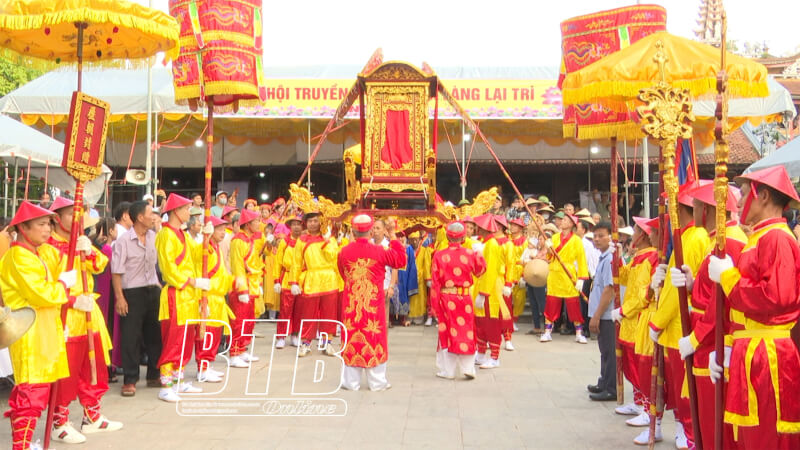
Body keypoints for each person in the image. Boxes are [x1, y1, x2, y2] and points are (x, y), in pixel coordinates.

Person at [708, 166, 800, 449]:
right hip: (751, 347)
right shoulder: (760, 237)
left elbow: (775, 297)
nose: (737, 201)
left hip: (767, 354)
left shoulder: (777, 238)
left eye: (745, 193)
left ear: (762, 196)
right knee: (750, 434)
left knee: (766, 436)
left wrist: (728, 276)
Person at [669, 182, 746, 448]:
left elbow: (721, 303)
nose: (695, 211)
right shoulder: (716, 241)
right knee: (705, 416)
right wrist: (692, 285)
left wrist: (696, 338)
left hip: (713, 341)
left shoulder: (730, 243)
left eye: (698, 206)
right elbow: (708, 294)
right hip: (706, 337)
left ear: (709, 209)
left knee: (714, 422)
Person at [39, 197, 121, 443]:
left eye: (79, 216)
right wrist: (72, 302)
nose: (77, 221)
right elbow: (46, 287)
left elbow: (100, 265)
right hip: (64, 316)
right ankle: (59, 422)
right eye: (71, 215)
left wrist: (88, 250)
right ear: (57, 218)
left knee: (93, 366)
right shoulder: (47, 247)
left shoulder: (82, 241)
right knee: (67, 370)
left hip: (88, 312)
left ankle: (92, 417)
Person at [0, 202, 75, 450]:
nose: (47, 230)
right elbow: (41, 293)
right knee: (31, 392)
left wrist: (79, 246)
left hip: (44, 329)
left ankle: (25, 442)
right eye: (42, 224)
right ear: (24, 227)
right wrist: (63, 284)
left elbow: (62, 260)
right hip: (29, 332)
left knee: (38, 390)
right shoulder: (18, 256)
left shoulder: (39, 252)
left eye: (49, 224)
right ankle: (20, 446)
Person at [648, 182, 710, 449]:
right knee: (675, 386)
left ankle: (689, 433)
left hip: (679, 327)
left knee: (684, 389)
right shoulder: (685, 237)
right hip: (674, 326)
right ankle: (683, 429)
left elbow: (678, 292)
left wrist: (657, 321)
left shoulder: (694, 238)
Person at [337, 214, 406, 391]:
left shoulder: (344, 251)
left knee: (351, 337)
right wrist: (392, 235)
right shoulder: (379, 251)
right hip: (373, 304)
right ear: (370, 232)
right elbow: (400, 259)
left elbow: (342, 272)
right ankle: (377, 382)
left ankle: (351, 382)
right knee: (375, 337)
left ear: (352, 231)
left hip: (351, 303)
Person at [155, 193, 210, 402]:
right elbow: (168, 269)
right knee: (174, 339)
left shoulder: (184, 234)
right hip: (175, 293)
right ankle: (166, 384)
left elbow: (197, 255)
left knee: (186, 339)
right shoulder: (166, 234)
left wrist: (207, 238)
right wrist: (193, 282)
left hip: (188, 294)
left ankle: (178, 379)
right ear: (176, 211)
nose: (190, 213)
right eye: (187, 209)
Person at [609, 217, 659, 438]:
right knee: (630, 363)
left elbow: (642, 294)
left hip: (637, 318)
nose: (633, 234)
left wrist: (622, 310)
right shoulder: (638, 257)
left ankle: (648, 409)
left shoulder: (650, 257)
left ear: (645, 235)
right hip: (630, 321)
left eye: (637, 229)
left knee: (641, 366)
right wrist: (618, 257)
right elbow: (624, 278)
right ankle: (638, 402)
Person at [111, 200, 162, 397]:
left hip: (152, 290)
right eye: (151, 213)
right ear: (140, 217)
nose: (154, 217)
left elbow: (154, 265)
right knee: (131, 337)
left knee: (154, 335)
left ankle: (153, 374)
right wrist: (120, 298)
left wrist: (157, 284)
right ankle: (130, 379)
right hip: (131, 293)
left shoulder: (153, 236)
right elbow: (116, 271)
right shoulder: (124, 241)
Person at [430, 221, 486, 379]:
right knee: (466, 331)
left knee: (447, 332)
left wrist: (433, 306)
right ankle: (468, 368)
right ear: (463, 237)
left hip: (447, 298)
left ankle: (447, 370)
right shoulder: (470, 253)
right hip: (465, 297)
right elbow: (480, 271)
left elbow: (435, 283)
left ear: (447, 236)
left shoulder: (439, 255)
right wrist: (479, 254)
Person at [290, 211, 339, 357]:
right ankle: (306, 343)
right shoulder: (302, 240)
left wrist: (326, 241)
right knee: (308, 313)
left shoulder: (329, 238)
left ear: (321, 222)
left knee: (329, 313)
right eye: (310, 221)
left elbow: (333, 256)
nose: (312, 224)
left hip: (329, 279)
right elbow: (296, 262)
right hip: (311, 279)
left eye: (315, 221)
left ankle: (328, 342)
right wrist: (293, 281)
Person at [192, 215, 234, 383]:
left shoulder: (216, 247)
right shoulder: (206, 248)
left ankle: (208, 364)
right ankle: (202, 368)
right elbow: (198, 267)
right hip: (208, 296)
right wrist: (202, 301)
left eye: (224, 230)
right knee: (206, 334)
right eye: (220, 229)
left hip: (218, 297)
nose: (223, 233)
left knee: (215, 333)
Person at [540, 213, 589, 344]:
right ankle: (547, 331)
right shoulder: (555, 237)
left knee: (573, 304)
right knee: (551, 302)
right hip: (555, 273)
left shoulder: (576, 240)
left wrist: (581, 278)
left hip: (568, 274)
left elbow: (581, 260)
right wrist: (549, 248)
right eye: (562, 219)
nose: (562, 221)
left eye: (565, 220)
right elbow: (550, 257)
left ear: (571, 224)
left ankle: (579, 332)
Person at [227, 209, 265, 368]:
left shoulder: (250, 240)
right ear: (248, 224)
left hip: (252, 283)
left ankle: (242, 349)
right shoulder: (238, 240)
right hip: (242, 286)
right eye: (256, 221)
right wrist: (241, 289)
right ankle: (234, 352)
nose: (259, 224)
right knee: (239, 320)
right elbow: (237, 267)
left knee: (248, 320)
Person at [472, 214, 509, 369]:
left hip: (490, 290)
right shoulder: (485, 243)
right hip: (481, 287)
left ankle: (494, 356)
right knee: (480, 323)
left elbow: (491, 270)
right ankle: (480, 353)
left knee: (491, 323)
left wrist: (484, 293)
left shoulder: (492, 245)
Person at [586, 222, 616, 401]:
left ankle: (611, 387)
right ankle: (603, 381)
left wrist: (597, 315)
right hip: (600, 312)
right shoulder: (603, 257)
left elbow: (609, 290)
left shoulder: (611, 259)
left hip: (606, 314)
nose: (597, 239)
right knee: (604, 350)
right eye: (595, 236)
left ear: (611, 236)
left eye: (601, 236)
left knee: (610, 351)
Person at [274, 213, 304, 348]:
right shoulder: (284, 242)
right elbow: (278, 263)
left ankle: (295, 335)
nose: (296, 227)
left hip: (301, 280)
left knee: (299, 310)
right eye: (294, 224)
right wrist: (276, 281)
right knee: (285, 310)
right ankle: (281, 336)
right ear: (290, 227)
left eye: (299, 224)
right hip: (286, 279)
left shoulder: (304, 242)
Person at [407, 231, 432, 325]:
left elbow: (426, 264)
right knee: (411, 297)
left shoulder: (424, 250)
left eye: (416, 240)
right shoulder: (407, 250)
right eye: (412, 240)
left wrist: (427, 277)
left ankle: (420, 315)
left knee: (420, 298)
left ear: (420, 240)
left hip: (420, 278)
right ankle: (410, 315)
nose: (414, 242)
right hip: (410, 277)